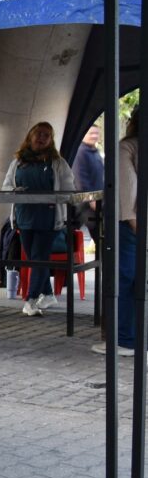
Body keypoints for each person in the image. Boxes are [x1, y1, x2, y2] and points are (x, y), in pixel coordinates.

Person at [2, 122, 76, 317]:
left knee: (39, 259)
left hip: (48, 219)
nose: (42, 138)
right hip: (24, 217)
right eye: (39, 134)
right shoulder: (17, 162)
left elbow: (69, 189)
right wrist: (14, 191)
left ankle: (31, 299)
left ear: (51, 141)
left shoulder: (58, 163)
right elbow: (6, 186)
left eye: (47, 135)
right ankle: (49, 294)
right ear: (30, 136)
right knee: (35, 258)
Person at [93, 108, 139, 356]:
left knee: (124, 280)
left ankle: (124, 340)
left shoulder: (126, 148)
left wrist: (132, 221)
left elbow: (127, 188)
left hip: (131, 223)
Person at [72, 124, 103, 246]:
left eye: (96, 133)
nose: (94, 136)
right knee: (101, 238)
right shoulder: (80, 152)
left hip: (98, 201)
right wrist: (92, 201)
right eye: (91, 133)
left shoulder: (95, 152)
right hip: (86, 204)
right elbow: (80, 180)